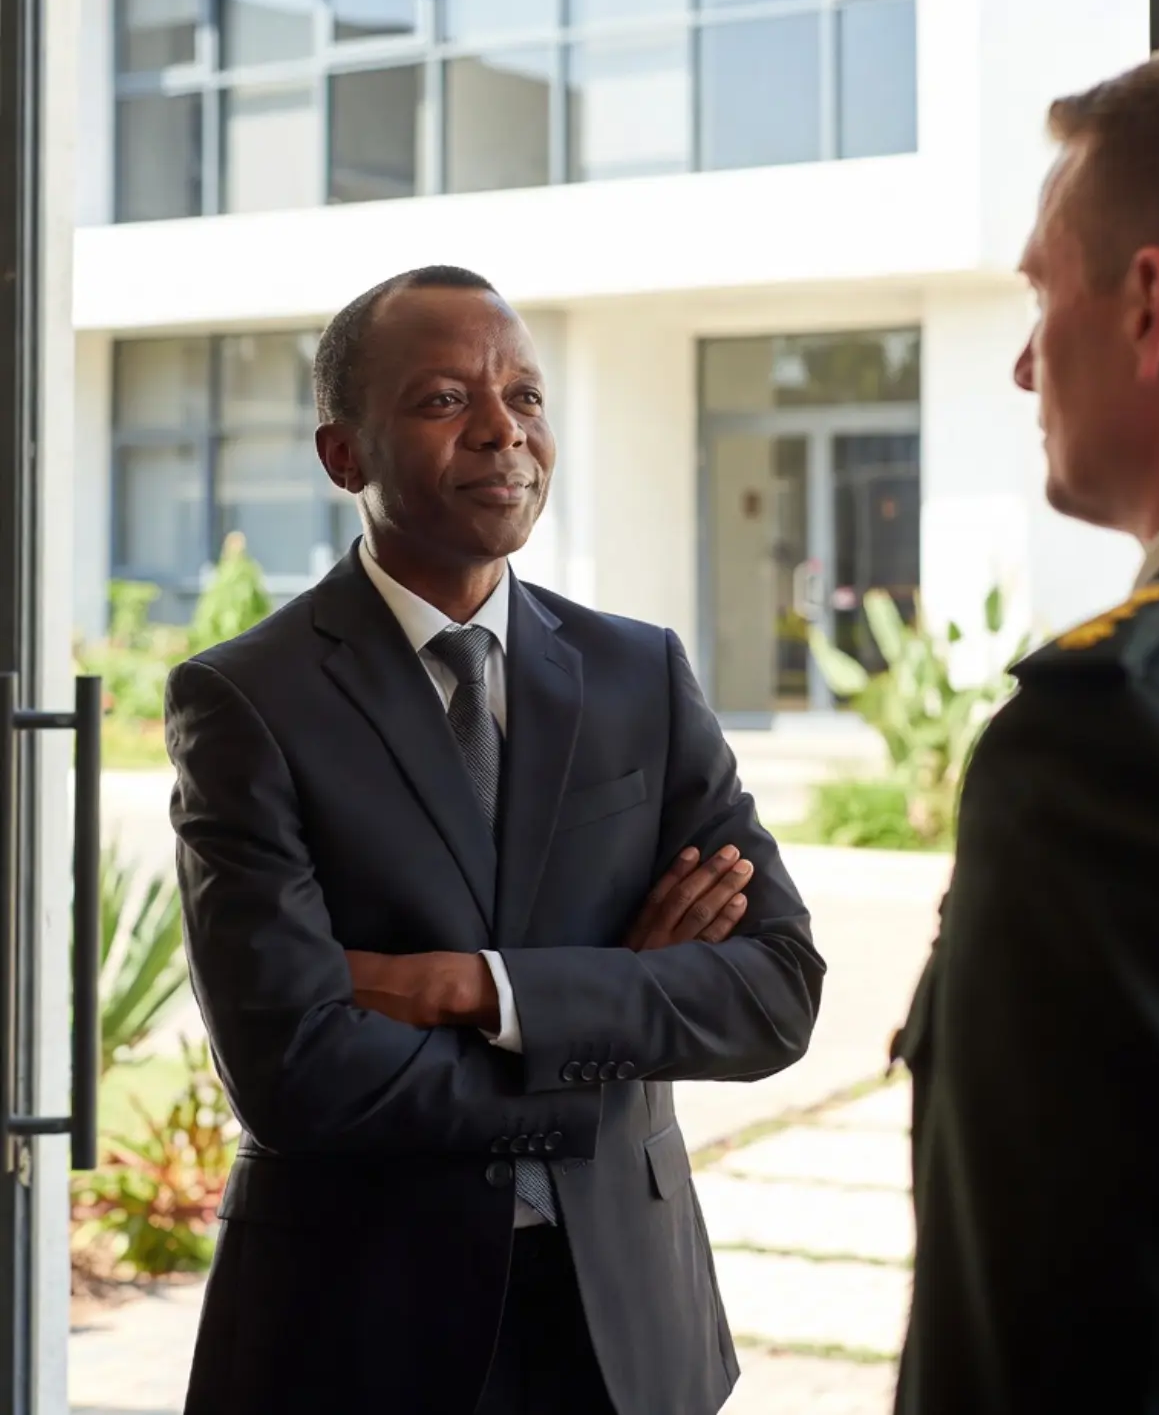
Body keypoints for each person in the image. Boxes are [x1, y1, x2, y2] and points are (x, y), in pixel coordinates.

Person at [165, 265, 825, 1415]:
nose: (501, 432)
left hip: (627, 1329)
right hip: (358, 1330)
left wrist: (480, 991)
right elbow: (297, 1071)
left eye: (524, 396)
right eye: (442, 401)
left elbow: (773, 993)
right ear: (344, 456)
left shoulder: (640, 675)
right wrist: (609, 1028)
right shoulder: (246, 700)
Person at [893, 39, 1159, 1414]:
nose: (1022, 365)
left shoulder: (1106, 746)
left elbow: (1037, 1350)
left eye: (1039, 288)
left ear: (1149, 306)